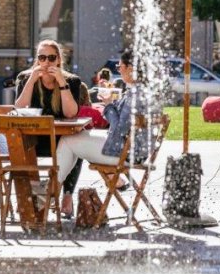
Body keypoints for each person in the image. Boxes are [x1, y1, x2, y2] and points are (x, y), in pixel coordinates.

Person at [14, 39, 84, 218]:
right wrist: (31, 80)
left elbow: (70, 114)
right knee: (20, 147)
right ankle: (32, 198)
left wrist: (61, 81)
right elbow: (19, 108)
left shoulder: (72, 81)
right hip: (34, 140)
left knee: (75, 143)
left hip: (60, 139)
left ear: (59, 60)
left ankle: (66, 195)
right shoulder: (25, 78)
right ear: (37, 60)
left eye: (51, 58)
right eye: (42, 57)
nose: (46, 63)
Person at [56, 53, 146, 189]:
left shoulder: (135, 94)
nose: (118, 69)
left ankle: (52, 188)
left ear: (130, 68)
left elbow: (118, 129)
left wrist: (109, 105)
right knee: (79, 139)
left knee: (67, 141)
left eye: (120, 66)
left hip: (125, 153)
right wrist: (112, 103)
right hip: (133, 151)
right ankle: (56, 188)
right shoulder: (141, 91)